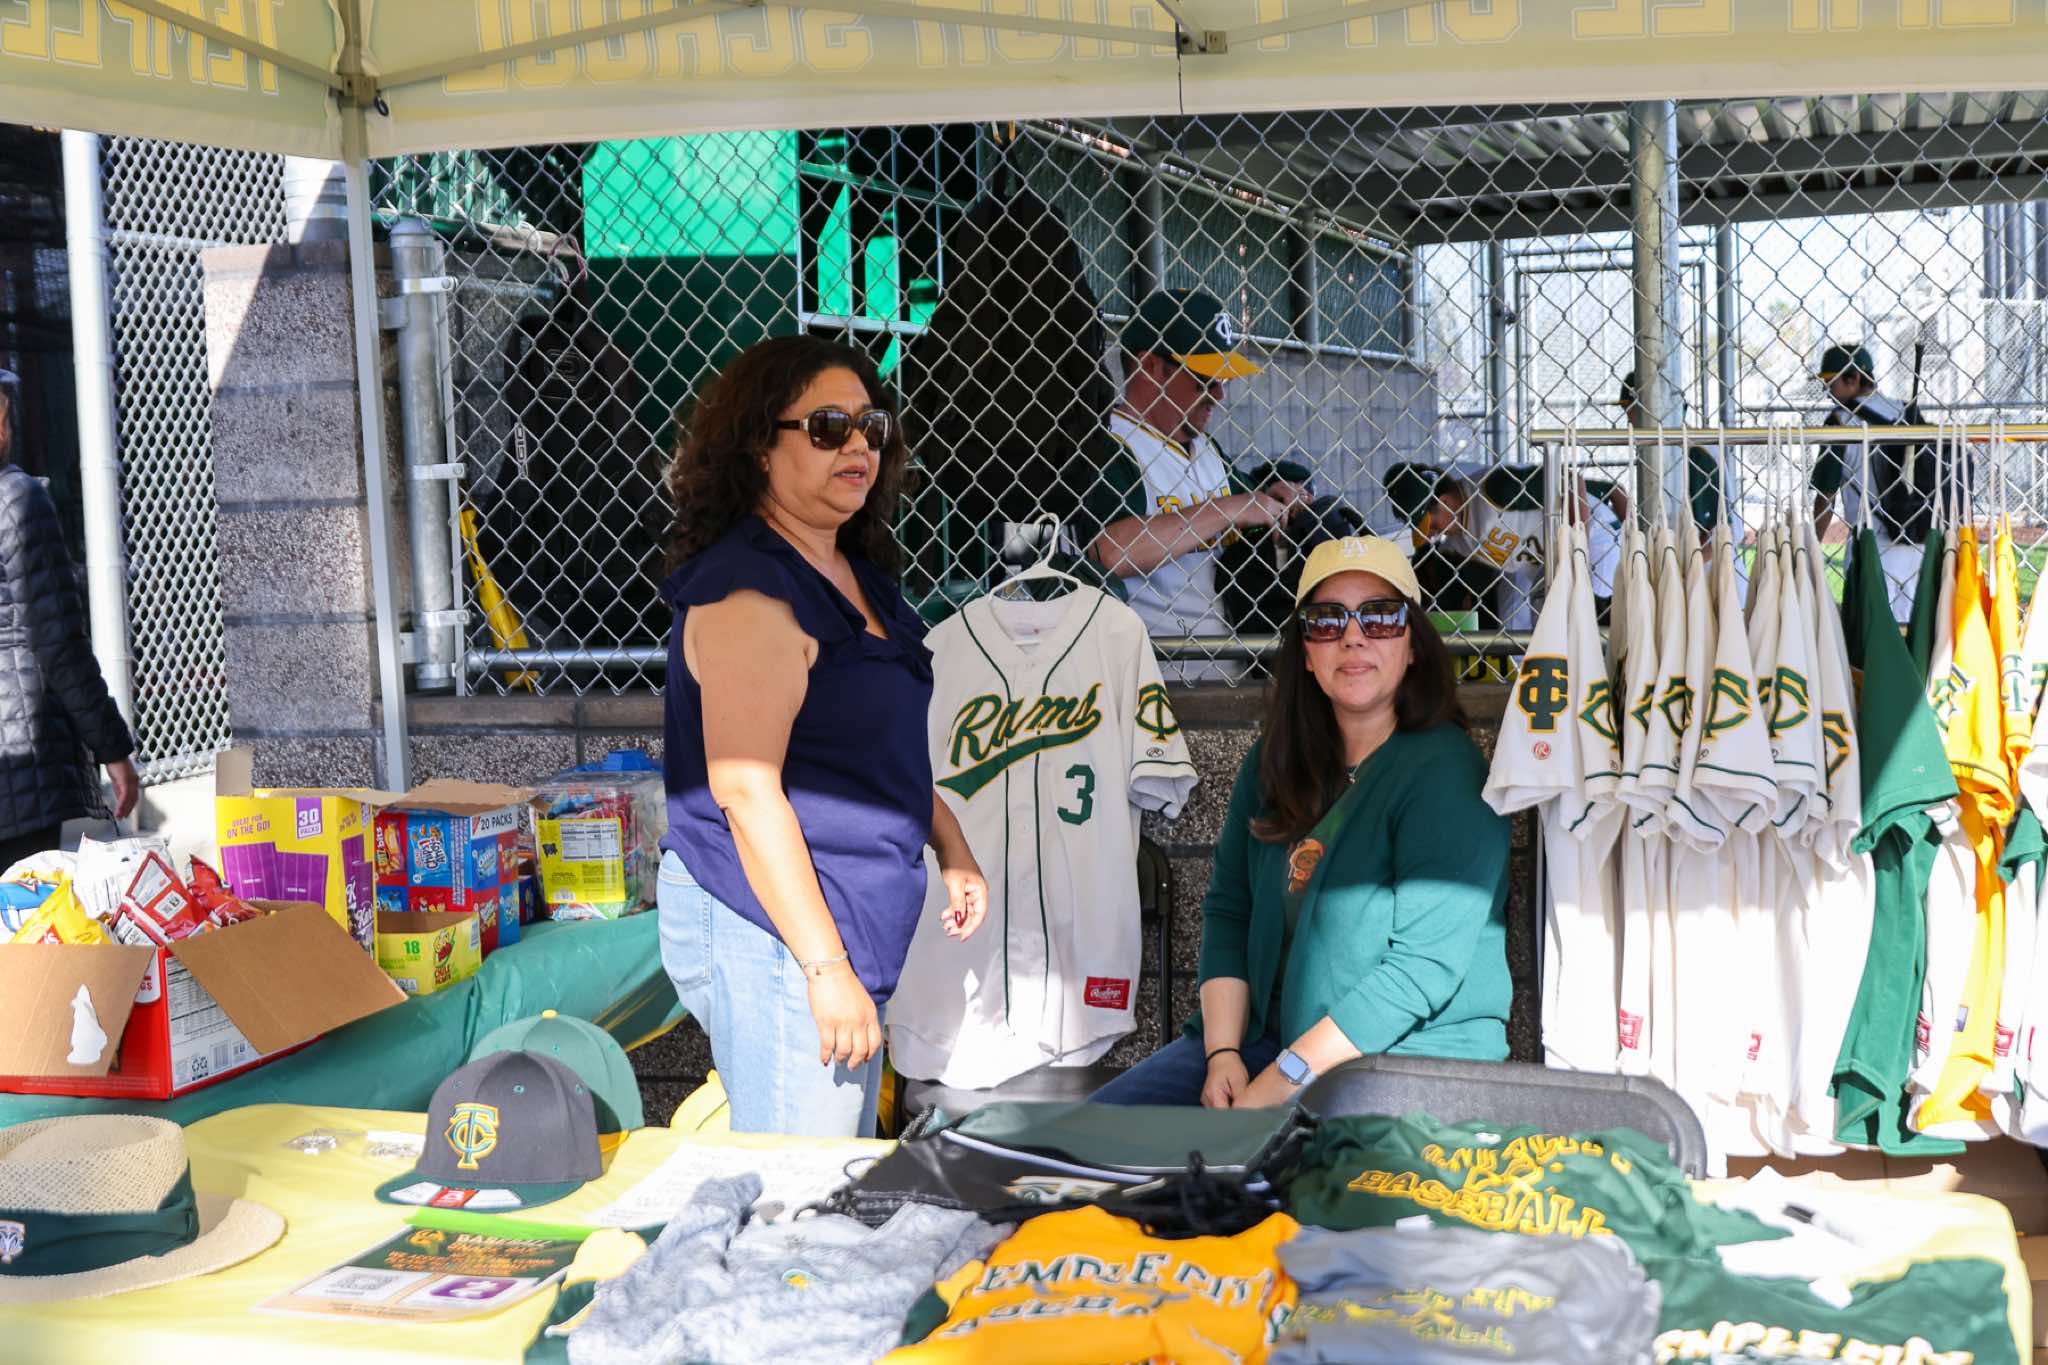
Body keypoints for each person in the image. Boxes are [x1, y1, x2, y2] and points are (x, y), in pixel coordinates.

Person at [657, 335, 989, 1137]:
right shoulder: (751, 592)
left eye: (871, 425)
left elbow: (861, 753)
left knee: (827, 1175)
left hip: (825, 927)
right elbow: (745, 790)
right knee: (801, 1192)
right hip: (777, 932)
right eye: (828, 426)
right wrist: (825, 967)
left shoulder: (848, 571)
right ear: (759, 449)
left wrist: (948, 840)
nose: (858, 445)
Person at [1092, 535, 1512, 1108]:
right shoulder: (1276, 760)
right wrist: (1223, 1054)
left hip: (1408, 1057)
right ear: (1306, 653)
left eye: (1381, 617)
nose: (1353, 636)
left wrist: (1278, 1082)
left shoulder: (1447, 772)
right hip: (1268, 1042)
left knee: (1272, 1161)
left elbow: (1419, 971)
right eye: (1327, 620)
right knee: (1095, 1134)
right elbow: (1229, 910)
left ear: (1414, 644)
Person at [1081, 289, 1305, 680]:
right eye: (1205, 379)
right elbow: (1111, 552)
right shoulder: (1112, 445)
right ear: (1150, 366)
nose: (1219, 394)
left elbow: (1251, 502)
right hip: (1157, 683)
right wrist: (1227, 509)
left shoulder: (1205, 448)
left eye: (1223, 379)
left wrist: (1275, 499)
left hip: (1236, 671)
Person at [0, 373, 139, 868]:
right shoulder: (17, 500)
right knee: (26, 907)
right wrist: (113, 748)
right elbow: (57, 641)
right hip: (22, 755)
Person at [1807, 342, 1924, 622]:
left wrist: (1811, 546)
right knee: (1914, 633)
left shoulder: (1839, 421)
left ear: (1854, 378)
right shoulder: (1905, 411)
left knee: (1866, 636)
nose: (1828, 392)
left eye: (1832, 382)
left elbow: (1826, 494)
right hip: (1916, 543)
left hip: (1869, 546)